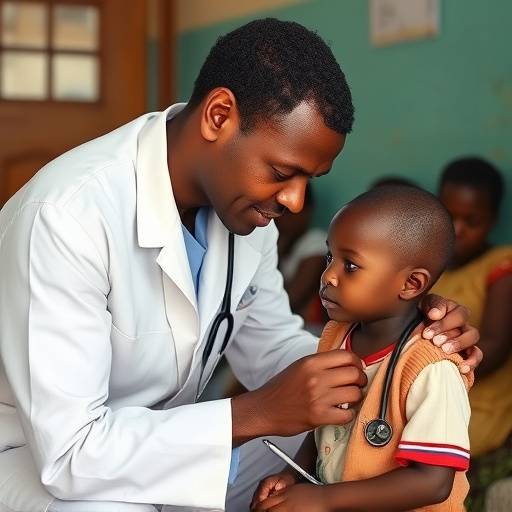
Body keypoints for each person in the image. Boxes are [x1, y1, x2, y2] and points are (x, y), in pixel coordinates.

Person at [0, 19, 480, 512]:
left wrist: (402, 342)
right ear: (219, 115)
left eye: (308, 180)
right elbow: (71, 454)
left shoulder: (246, 218)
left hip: (167, 438)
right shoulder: (66, 217)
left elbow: (271, 346)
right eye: (281, 172)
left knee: (330, 437)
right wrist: (254, 413)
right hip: (37, 461)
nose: (294, 201)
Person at [252, 185, 472, 512]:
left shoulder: (431, 366)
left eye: (350, 266)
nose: (329, 276)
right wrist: (292, 475)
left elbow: (433, 483)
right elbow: (324, 431)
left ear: (411, 284)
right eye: (330, 257)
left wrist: (325, 500)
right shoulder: (336, 336)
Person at [431, 157, 512, 512]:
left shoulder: (501, 265)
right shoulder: (429, 271)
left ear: (493, 221)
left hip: (480, 414)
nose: (458, 229)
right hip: (431, 408)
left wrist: (438, 371)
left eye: (472, 221)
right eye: (450, 216)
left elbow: (495, 344)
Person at [276, 184, 328, 333]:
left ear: (307, 212)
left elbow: (291, 300)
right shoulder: (281, 243)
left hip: (313, 330)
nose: (280, 219)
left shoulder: (316, 243)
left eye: (288, 213)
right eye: (279, 211)